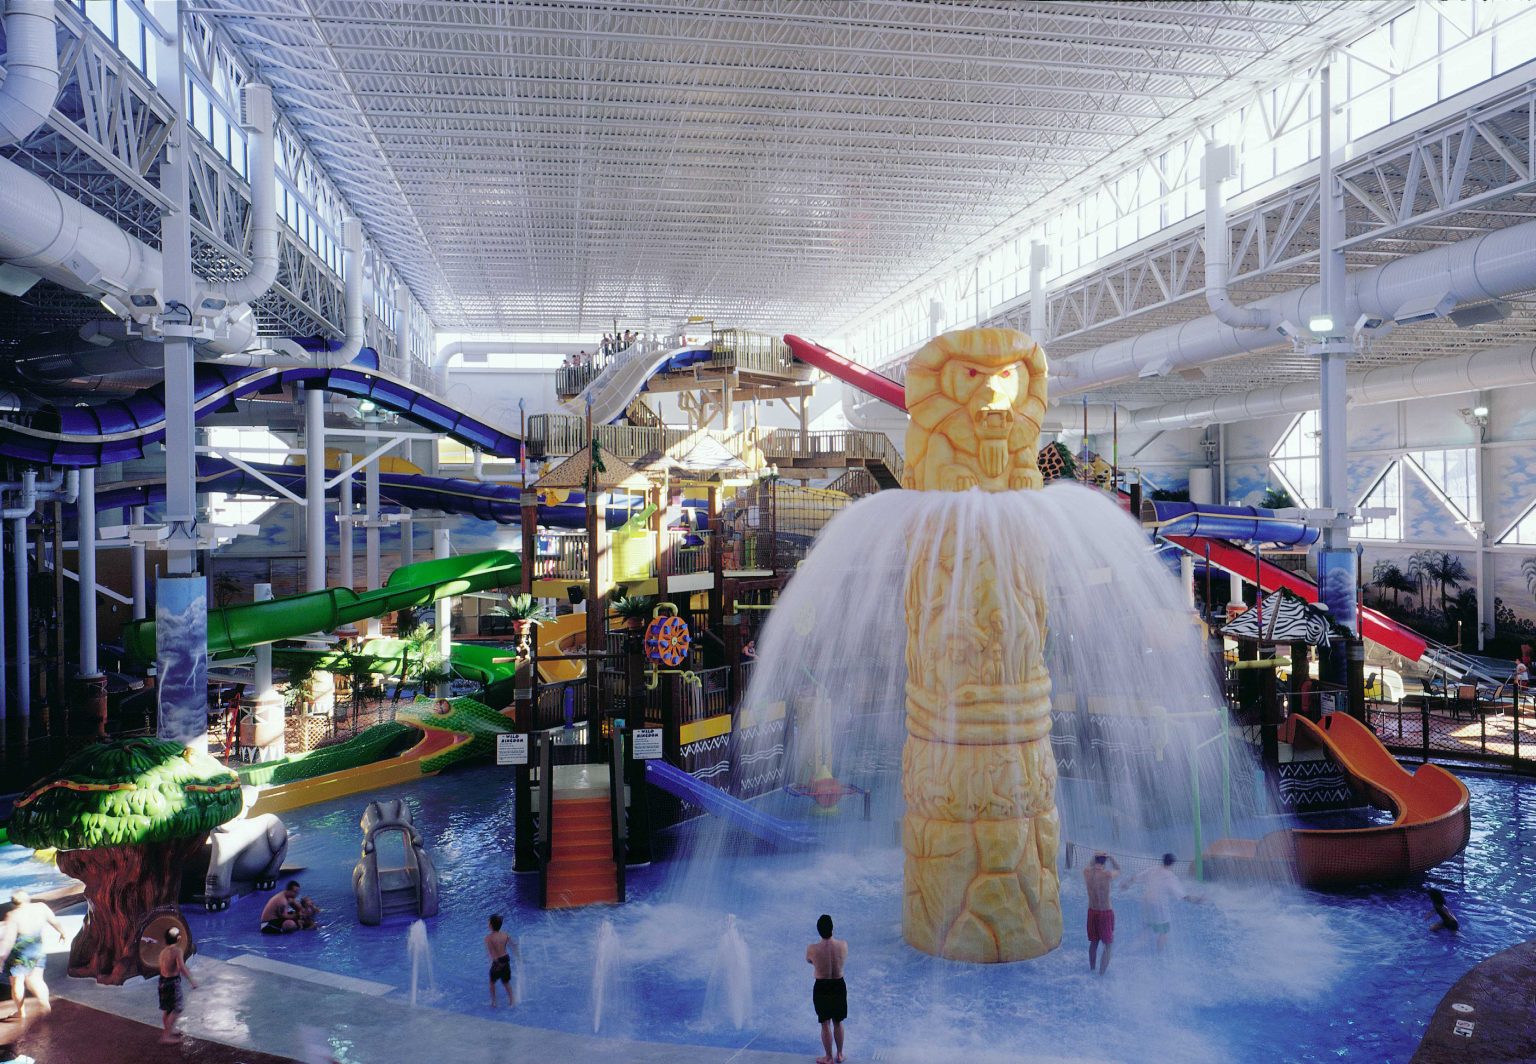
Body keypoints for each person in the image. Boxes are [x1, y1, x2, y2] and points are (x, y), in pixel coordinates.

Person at [1, 891, 64, 1020]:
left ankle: (21, 1012)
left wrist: (1, 957)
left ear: (14, 903)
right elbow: (54, 922)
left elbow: (8, 941)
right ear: (28, 899)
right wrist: (62, 933)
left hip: (18, 955)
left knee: (17, 983)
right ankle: (45, 1006)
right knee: (37, 980)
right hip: (36, 950)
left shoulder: (13, 915)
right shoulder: (41, 907)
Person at [1136, 853, 1202, 952]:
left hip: (1146, 903)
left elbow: (1136, 877)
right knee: (1164, 932)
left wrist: (1126, 883)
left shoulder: (1153, 869)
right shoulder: (1170, 877)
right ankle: (1159, 954)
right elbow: (1183, 896)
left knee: (1147, 928)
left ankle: (1133, 948)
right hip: (1158, 907)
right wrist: (1197, 900)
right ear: (1172, 864)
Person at [806, 914, 848, 1064]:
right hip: (838, 985)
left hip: (822, 987)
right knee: (838, 1021)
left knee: (825, 1023)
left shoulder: (812, 949)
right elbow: (842, 959)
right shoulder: (843, 945)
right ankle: (840, 1054)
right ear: (832, 928)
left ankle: (828, 1057)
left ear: (818, 931)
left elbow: (809, 960)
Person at [157, 925, 197, 1044]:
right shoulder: (177, 951)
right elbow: (181, 968)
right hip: (172, 983)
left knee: (167, 1009)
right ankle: (165, 1036)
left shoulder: (163, 952)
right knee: (177, 1008)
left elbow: (162, 967)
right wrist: (192, 981)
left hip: (162, 981)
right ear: (178, 939)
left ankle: (169, 1030)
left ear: (166, 939)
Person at [1082, 852, 1119, 974]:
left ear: (1095, 860)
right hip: (1105, 912)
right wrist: (1111, 858)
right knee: (1108, 945)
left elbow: (1089, 865)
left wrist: (1094, 857)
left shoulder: (1087, 873)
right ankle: (1101, 975)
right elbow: (1118, 869)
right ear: (1104, 862)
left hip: (1092, 912)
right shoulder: (1107, 875)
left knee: (1094, 942)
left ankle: (1092, 969)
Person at [485, 914, 519, 1007]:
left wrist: (494, 962)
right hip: (506, 959)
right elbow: (514, 945)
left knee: (492, 983)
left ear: (491, 925)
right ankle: (512, 1001)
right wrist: (518, 956)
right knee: (506, 982)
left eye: (488, 922)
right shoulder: (505, 935)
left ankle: (494, 1002)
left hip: (497, 961)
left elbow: (491, 953)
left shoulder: (488, 938)